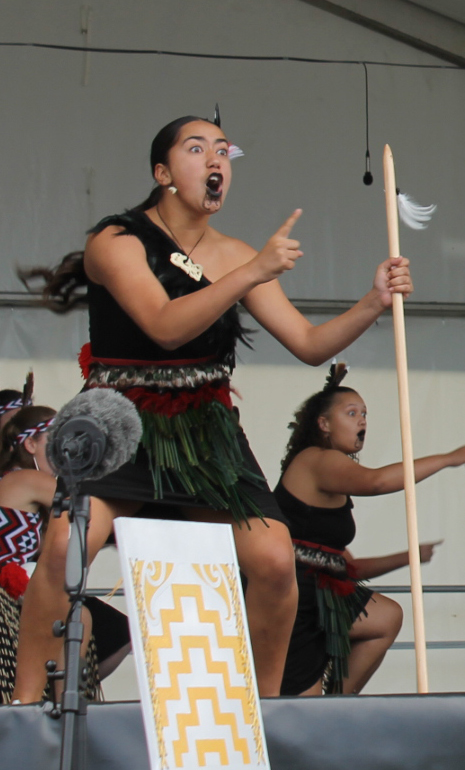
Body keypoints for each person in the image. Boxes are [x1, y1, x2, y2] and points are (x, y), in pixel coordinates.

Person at [12, 114, 414, 701]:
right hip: (121, 422)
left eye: (224, 151)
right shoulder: (117, 242)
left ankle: (262, 712)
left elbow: (308, 344)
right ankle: (25, 707)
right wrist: (253, 271)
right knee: (63, 550)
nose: (215, 160)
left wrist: (372, 302)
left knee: (276, 562)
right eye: (197, 149)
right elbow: (163, 326)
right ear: (163, 172)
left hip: (205, 431)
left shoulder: (233, 253)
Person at [275, 365, 465, 695]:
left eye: (365, 414)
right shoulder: (318, 460)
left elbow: (348, 566)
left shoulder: (331, 471)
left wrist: (410, 556)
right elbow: (377, 482)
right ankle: (326, 708)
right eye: (352, 412)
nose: (362, 421)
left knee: (385, 617)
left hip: (320, 591)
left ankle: (338, 702)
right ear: (323, 423)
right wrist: (449, 458)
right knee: (302, 702)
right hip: (296, 597)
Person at [0, 405, 132, 700]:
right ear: (30, 444)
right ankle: (67, 703)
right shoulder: (26, 480)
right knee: (78, 617)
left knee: (109, 627)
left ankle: (61, 696)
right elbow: (87, 509)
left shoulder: (18, 480)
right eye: (55, 443)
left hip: (20, 574)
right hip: (8, 578)